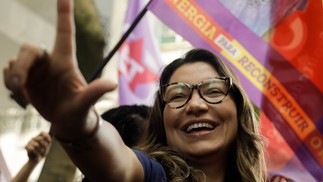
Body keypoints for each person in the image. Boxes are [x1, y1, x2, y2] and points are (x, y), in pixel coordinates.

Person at [3, 0, 267, 181]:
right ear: (162, 120)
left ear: (238, 108)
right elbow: (118, 164)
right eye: (178, 95)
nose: (195, 105)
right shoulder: (153, 174)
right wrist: (80, 126)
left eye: (212, 91)